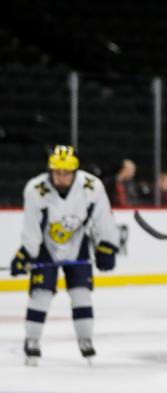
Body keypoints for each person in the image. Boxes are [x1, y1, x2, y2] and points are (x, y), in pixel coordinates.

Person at [9, 145, 119, 364]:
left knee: (81, 293)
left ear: (74, 172)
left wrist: (107, 244)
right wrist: (26, 254)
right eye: (56, 172)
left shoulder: (91, 187)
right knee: (40, 294)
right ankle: (32, 340)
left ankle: (85, 339)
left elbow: (103, 218)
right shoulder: (36, 188)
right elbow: (31, 227)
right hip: (45, 247)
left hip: (77, 244)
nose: (60, 177)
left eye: (65, 172)